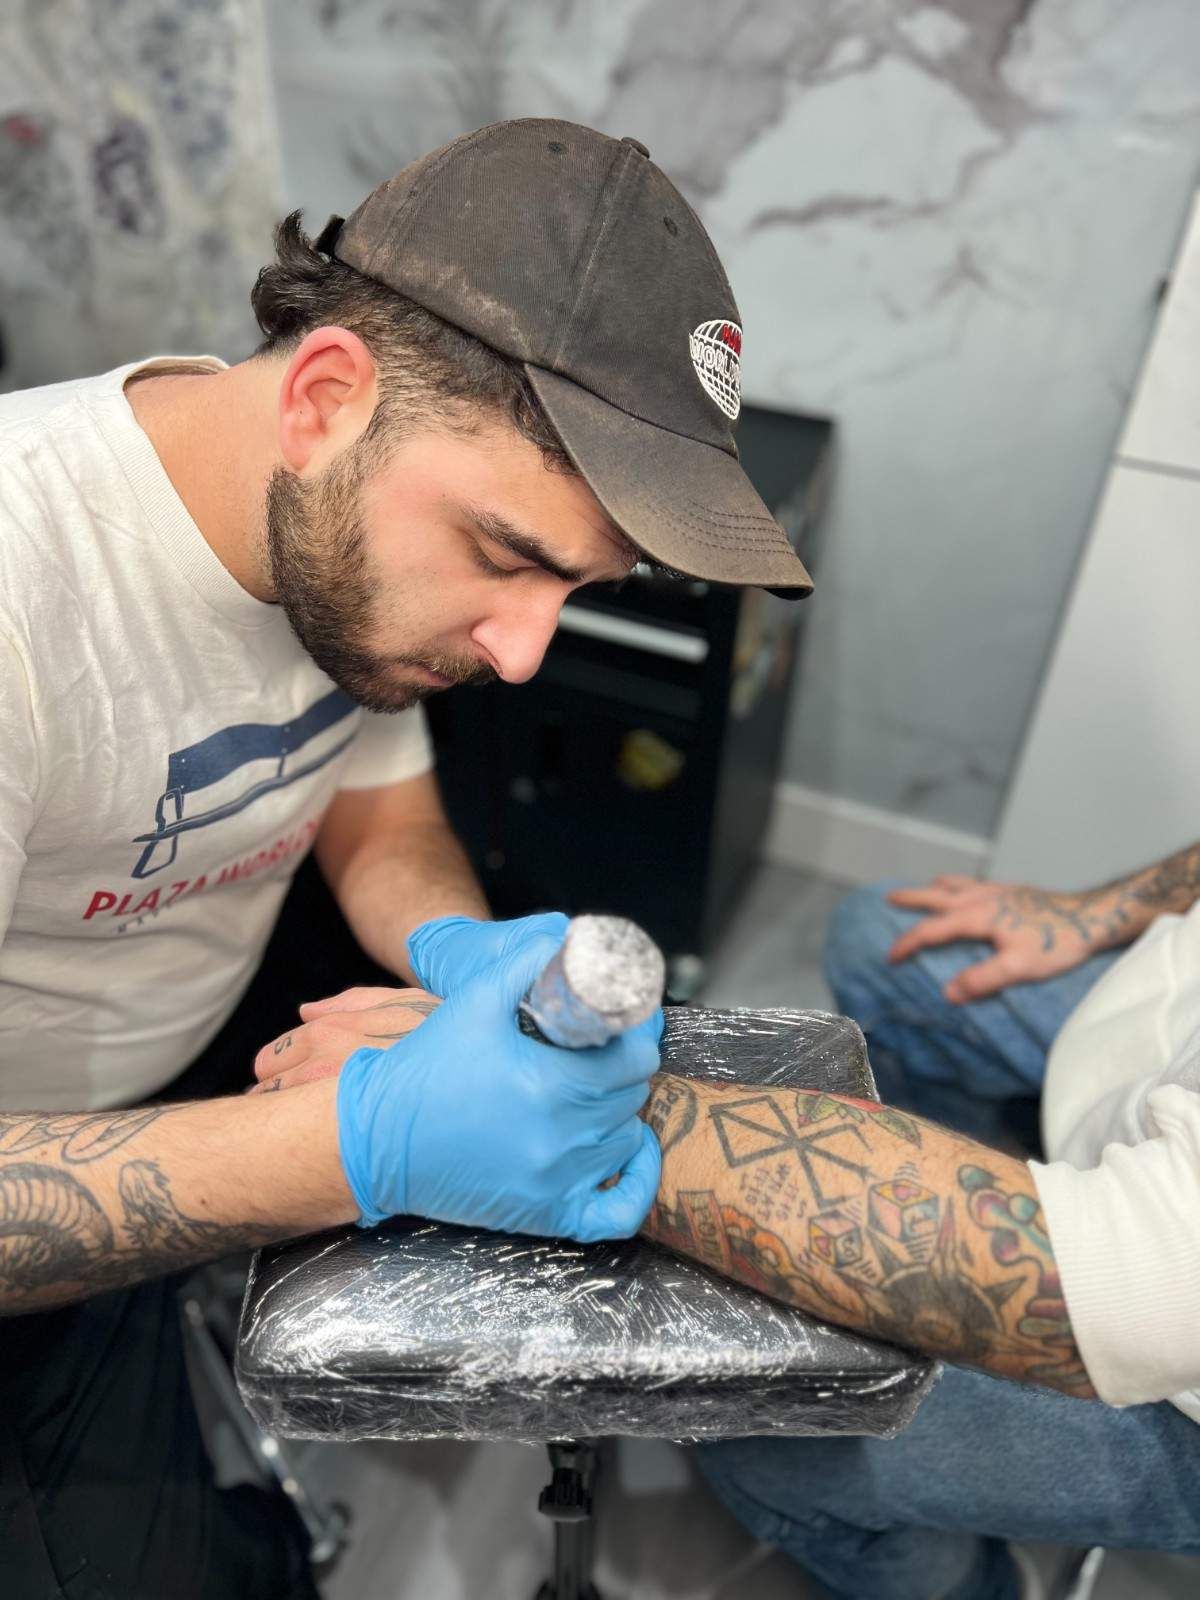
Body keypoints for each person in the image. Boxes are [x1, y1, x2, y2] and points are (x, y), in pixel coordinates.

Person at [0, 118, 814, 1598]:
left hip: (192, 1031)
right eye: (509, 555)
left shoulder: (325, 534)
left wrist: (456, 946)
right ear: (324, 395)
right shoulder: (22, 588)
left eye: (574, 584)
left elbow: (374, 812)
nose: (522, 655)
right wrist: (348, 1149)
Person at [693, 857, 1200, 1600]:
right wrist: (1098, 909)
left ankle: (986, 1588)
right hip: (1172, 1044)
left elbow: (1131, 1286)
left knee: (782, 1421)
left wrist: (641, 1123)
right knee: (887, 941)